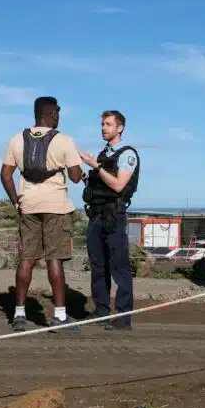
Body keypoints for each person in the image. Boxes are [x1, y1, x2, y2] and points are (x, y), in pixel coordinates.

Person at [0, 96, 85, 332]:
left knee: (26, 259)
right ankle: (59, 316)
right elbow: (77, 177)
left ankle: (18, 314)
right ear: (52, 114)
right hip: (56, 206)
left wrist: (16, 201)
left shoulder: (16, 140)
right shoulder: (64, 140)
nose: (59, 117)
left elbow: (5, 175)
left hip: (28, 205)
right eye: (57, 112)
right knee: (54, 260)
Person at [80, 110, 140, 331]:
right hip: (96, 215)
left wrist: (95, 166)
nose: (103, 128)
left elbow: (118, 185)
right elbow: (100, 182)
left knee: (119, 266)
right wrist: (87, 175)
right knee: (98, 266)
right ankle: (101, 311)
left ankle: (124, 317)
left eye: (108, 124)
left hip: (114, 216)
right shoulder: (104, 154)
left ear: (120, 128)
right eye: (102, 124)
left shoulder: (127, 154)